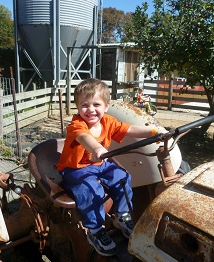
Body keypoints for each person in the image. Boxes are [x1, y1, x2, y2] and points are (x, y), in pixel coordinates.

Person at [56, 78, 159, 256]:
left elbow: (129, 130)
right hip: (76, 168)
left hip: (100, 163)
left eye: (96, 104)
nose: (90, 110)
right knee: (90, 190)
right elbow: (84, 138)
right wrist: (96, 148)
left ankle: (123, 216)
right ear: (77, 106)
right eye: (84, 105)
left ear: (106, 106)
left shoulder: (108, 122)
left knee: (122, 177)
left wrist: (155, 132)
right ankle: (95, 230)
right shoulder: (76, 125)